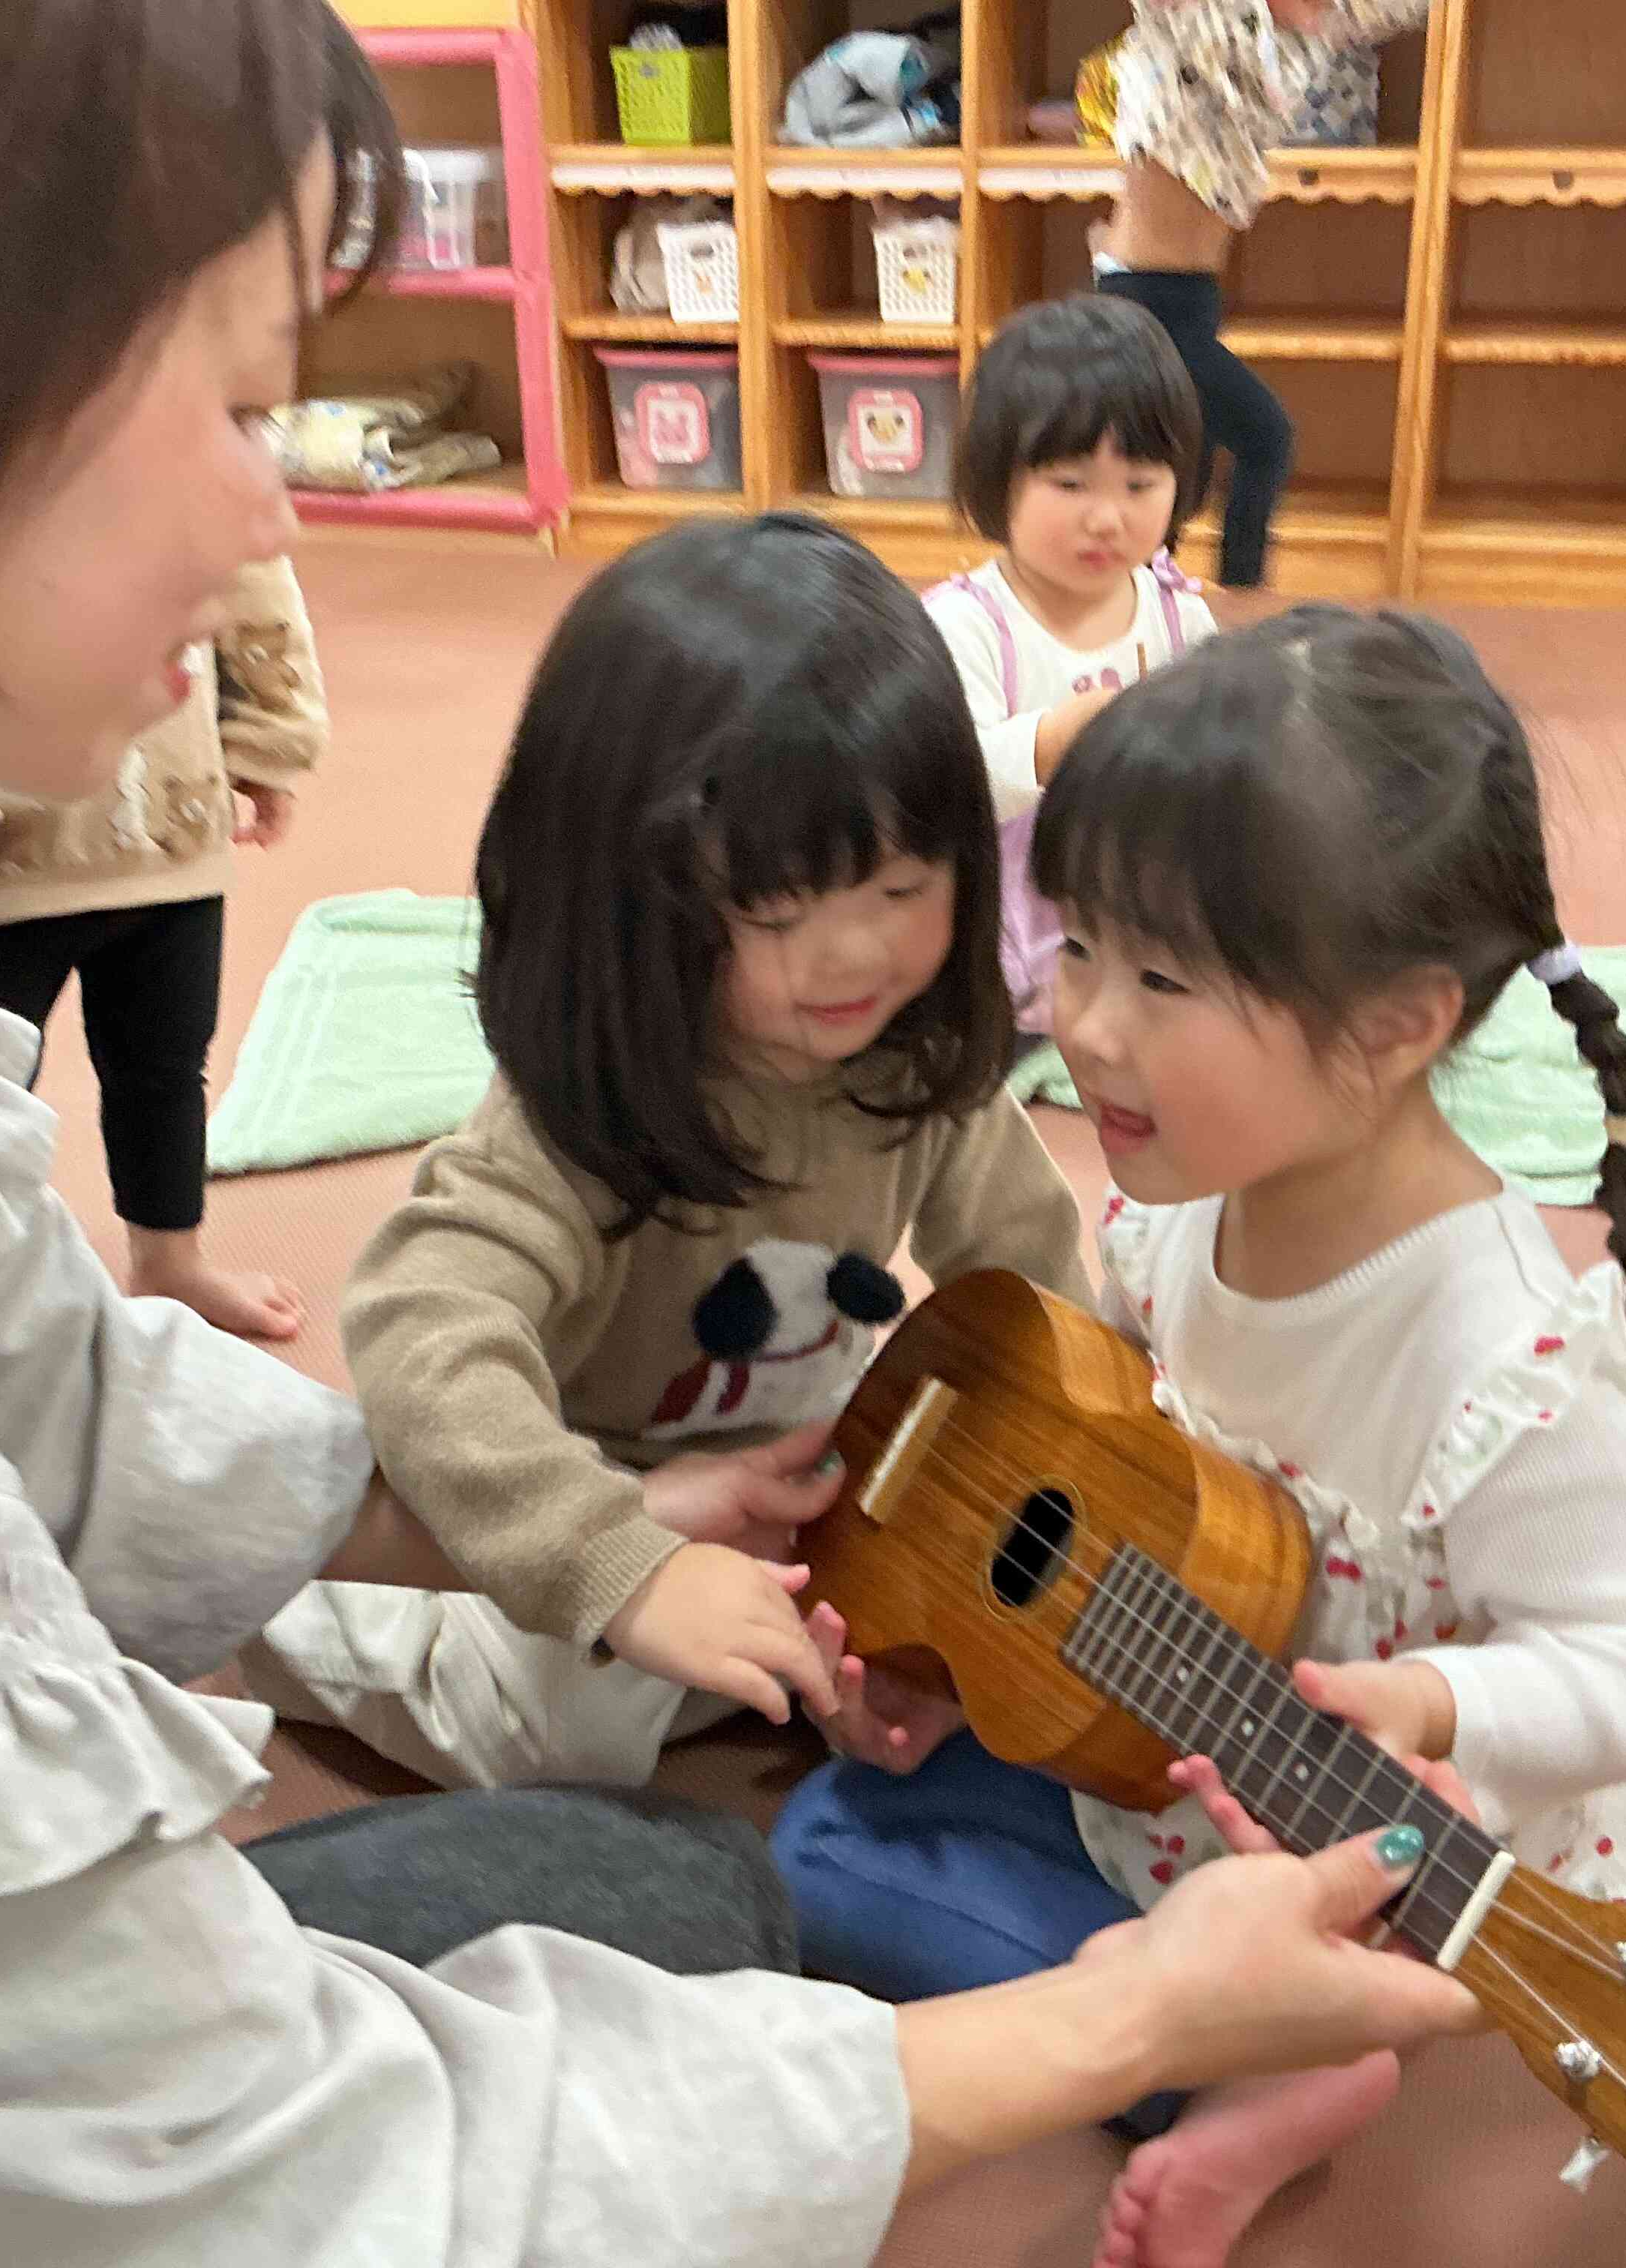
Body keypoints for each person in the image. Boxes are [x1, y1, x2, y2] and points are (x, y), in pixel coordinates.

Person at [0, 5, 1496, 2260]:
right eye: (250, 398)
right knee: (659, 1908)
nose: (283, 507)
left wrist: (621, 1525)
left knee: (650, 1904)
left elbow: (46, 1412)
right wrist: (1116, 2011)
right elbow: (267, 2194)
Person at [774, 608, 1626, 2268]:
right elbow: (1110, 1428)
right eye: (1074, 948)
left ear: (1394, 1028)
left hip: (1370, 1819)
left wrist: (1433, 1696)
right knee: (825, 1821)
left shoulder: (1507, 1355)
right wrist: (950, 1628)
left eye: (1162, 979)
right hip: (1168, 1695)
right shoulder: (1186, 1212)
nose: (1086, 1024)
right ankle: (1233, 2029)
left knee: (834, 1885)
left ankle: (1301, 2055)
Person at [249, 512, 1092, 1790]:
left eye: (903, 888)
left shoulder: (918, 1068)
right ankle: (274, 1589)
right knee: (560, 1735)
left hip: (794, 1479)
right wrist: (615, 1553)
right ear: (636, 899)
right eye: (776, 909)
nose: (855, 954)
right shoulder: (583, 1114)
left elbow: (1035, 1284)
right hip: (579, 1485)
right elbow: (420, 1327)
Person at [0, 551, 328, 1340]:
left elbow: (249, 564)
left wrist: (271, 737)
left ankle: (171, 1262)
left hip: (169, 828)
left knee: (163, 1064)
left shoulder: (190, 436)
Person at [927, 294, 1216, 1038]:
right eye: (1070, 484)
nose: (1107, 517)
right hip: (1002, 923)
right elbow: (941, 780)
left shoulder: (1179, 615)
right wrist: (1052, 744)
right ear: (999, 483)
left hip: (1135, 907)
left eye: (1140, 485)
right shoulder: (968, 624)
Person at [1094, 0, 1430, 587]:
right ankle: (1238, 601)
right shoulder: (1193, 18)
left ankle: (1153, 602)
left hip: (1188, 299)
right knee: (1263, 438)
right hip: (1143, 303)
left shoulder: (1303, 36)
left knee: (1181, 471)